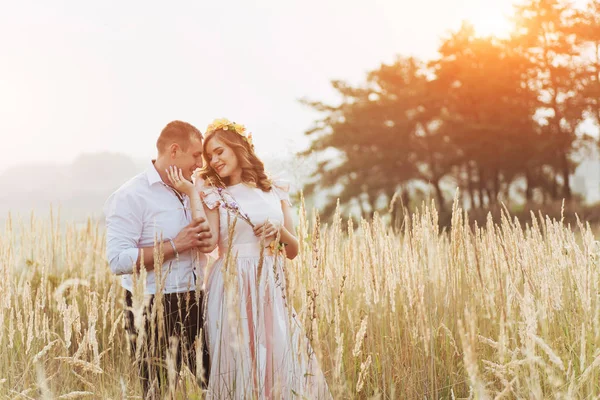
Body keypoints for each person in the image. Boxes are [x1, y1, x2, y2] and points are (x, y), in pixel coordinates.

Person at [166, 118, 331, 399]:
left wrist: (279, 232)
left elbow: (293, 250)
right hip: (231, 282)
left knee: (278, 353)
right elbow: (207, 244)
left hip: (269, 282)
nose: (214, 160)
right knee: (239, 359)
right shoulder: (214, 192)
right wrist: (194, 192)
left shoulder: (274, 189)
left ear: (239, 147)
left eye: (220, 151)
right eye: (209, 156)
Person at [104, 120, 214, 398]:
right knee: (158, 391)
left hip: (199, 301)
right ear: (174, 150)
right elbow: (118, 260)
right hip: (153, 307)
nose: (200, 164)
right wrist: (176, 245)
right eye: (195, 155)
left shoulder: (195, 188)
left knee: (213, 388)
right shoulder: (131, 195)